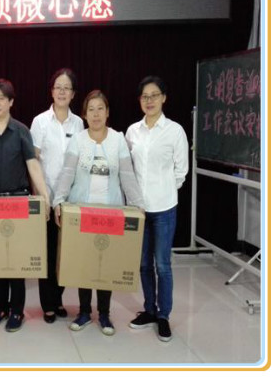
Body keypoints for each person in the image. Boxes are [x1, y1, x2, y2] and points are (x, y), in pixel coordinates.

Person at [53, 89, 144, 336]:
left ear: (107, 112)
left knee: (106, 263)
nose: (95, 114)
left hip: (111, 213)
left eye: (100, 109)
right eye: (91, 110)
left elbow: (127, 175)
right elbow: (67, 173)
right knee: (85, 263)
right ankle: (84, 312)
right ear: (84, 114)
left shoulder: (118, 140)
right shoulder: (78, 140)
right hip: (82, 211)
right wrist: (58, 201)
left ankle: (104, 314)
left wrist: (138, 205)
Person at [0, 78, 50, 333]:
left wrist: (45, 196)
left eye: (2, 99)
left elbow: (33, 166)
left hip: (18, 201)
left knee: (16, 260)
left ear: (11, 102)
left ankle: (17, 310)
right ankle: (1, 307)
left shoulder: (21, 131)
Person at [125, 76, 189, 342]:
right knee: (143, 264)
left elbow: (181, 171)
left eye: (154, 95)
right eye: (144, 96)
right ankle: (149, 310)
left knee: (162, 264)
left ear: (164, 98)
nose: (149, 100)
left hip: (164, 208)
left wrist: (163, 190)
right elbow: (128, 170)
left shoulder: (175, 131)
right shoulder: (132, 131)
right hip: (139, 210)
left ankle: (164, 315)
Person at [30, 68, 84, 324]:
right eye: (58, 87)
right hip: (47, 197)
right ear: (51, 91)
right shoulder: (40, 122)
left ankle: (59, 298)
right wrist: (41, 197)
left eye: (67, 88)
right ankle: (48, 304)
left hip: (71, 199)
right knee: (48, 252)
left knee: (66, 253)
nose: (62, 92)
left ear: (73, 94)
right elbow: (34, 161)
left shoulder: (79, 123)